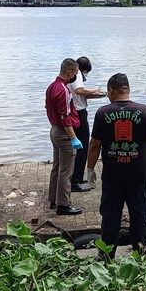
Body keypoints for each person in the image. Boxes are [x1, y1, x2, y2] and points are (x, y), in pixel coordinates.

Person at [86, 73, 146, 258]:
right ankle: (141, 250)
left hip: (112, 175)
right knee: (140, 213)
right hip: (139, 174)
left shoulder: (103, 113)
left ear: (111, 90)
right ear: (127, 89)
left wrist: (90, 169)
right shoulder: (144, 111)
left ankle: (106, 254)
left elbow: (95, 144)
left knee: (110, 215)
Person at [45, 58, 84, 215]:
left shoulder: (52, 87)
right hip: (64, 133)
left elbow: (48, 109)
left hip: (54, 130)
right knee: (66, 171)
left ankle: (54, 199)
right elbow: (65, 117)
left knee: (57, 167)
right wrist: (73, 137)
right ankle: (64, 204)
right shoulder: (63, 90)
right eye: (75, 73)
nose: (75, 76)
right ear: (70, 72)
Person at [68, 56, 105, 192]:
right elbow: (79, 91)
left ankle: (77, 177)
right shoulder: (77, 73)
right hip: (79, 114)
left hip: (77, 112)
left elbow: (81, 95)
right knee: (83, 147)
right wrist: (94, 89)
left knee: (80, 147)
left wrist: (99, 95)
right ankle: (76, 181)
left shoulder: (72, 74)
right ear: (84, 69)